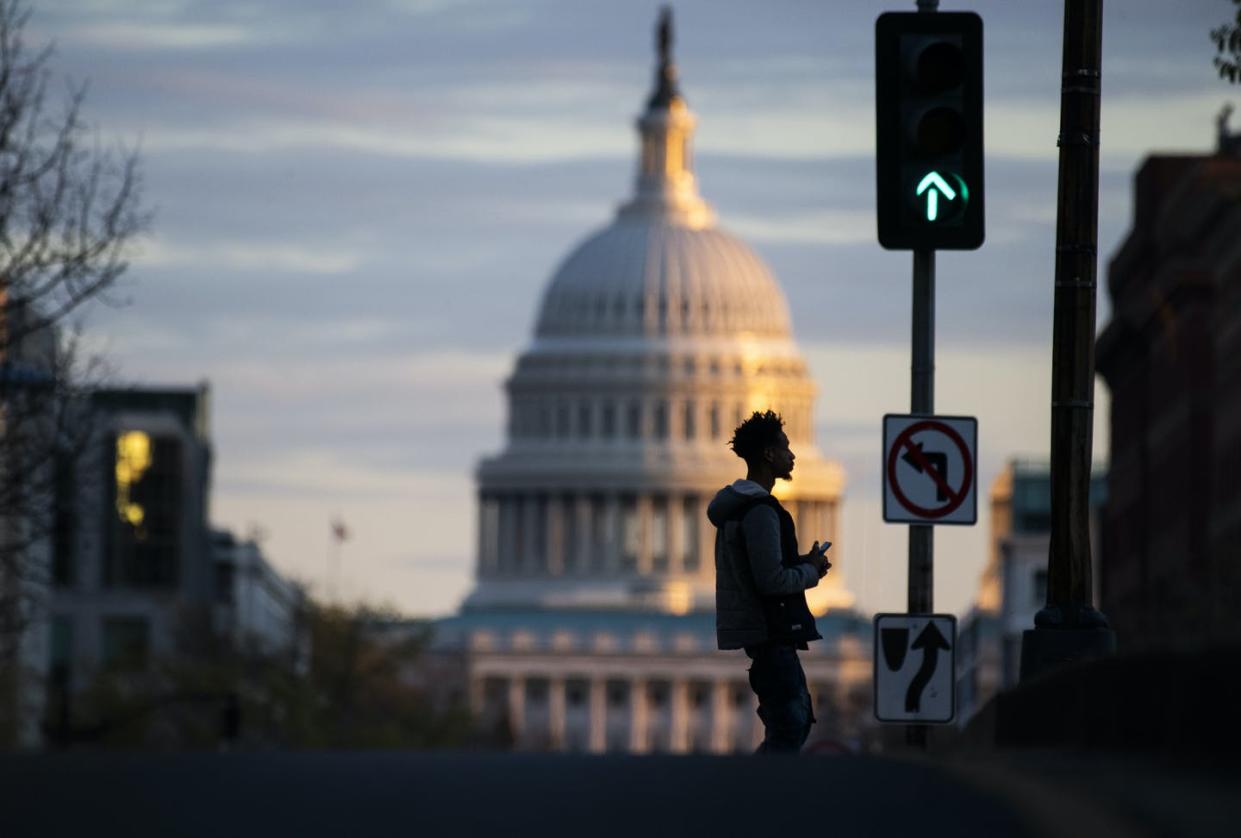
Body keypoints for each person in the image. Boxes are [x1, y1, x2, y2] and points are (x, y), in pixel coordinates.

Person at [707, 410, 831, 753]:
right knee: (790, 725)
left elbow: (762, 569)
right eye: (786, 448)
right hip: (771, 632)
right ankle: (760, 792)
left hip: (764, 634)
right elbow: (771, 580)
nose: (792, 456)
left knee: (790, 722)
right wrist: (812, 572)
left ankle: (763, 790)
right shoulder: (761, 511)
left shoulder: (740, 507)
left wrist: (802, 562)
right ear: (768, 455)